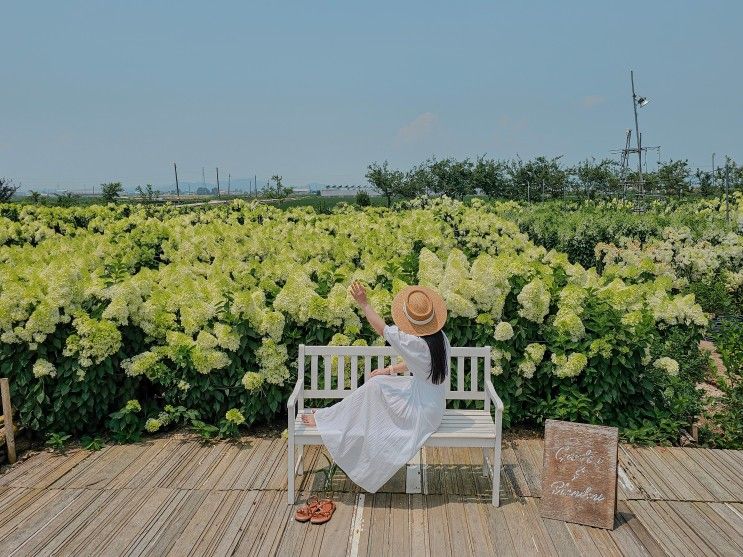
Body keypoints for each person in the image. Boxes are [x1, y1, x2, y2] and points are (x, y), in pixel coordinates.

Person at [301, 281, 450, 493]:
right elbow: (417, 362)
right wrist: (389, 370)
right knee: (378, 383)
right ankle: (328, 415)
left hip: (420, 412)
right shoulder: (439, 339)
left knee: (374, 388)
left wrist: (364, 303)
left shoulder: (415, 343)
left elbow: (383, 329)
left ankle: (326, 418)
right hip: (432, 406)